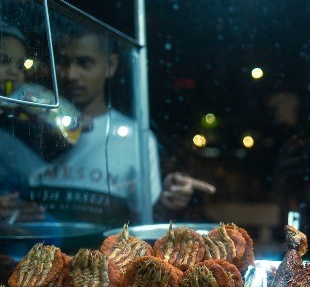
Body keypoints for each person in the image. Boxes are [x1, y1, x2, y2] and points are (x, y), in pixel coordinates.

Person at [27, 28, 214, 226]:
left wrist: (169, 200)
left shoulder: (136, 138)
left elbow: (146, 221)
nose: (71, 74)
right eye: (63, 62)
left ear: (110, 65)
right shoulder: (29, 128)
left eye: (84, 63)